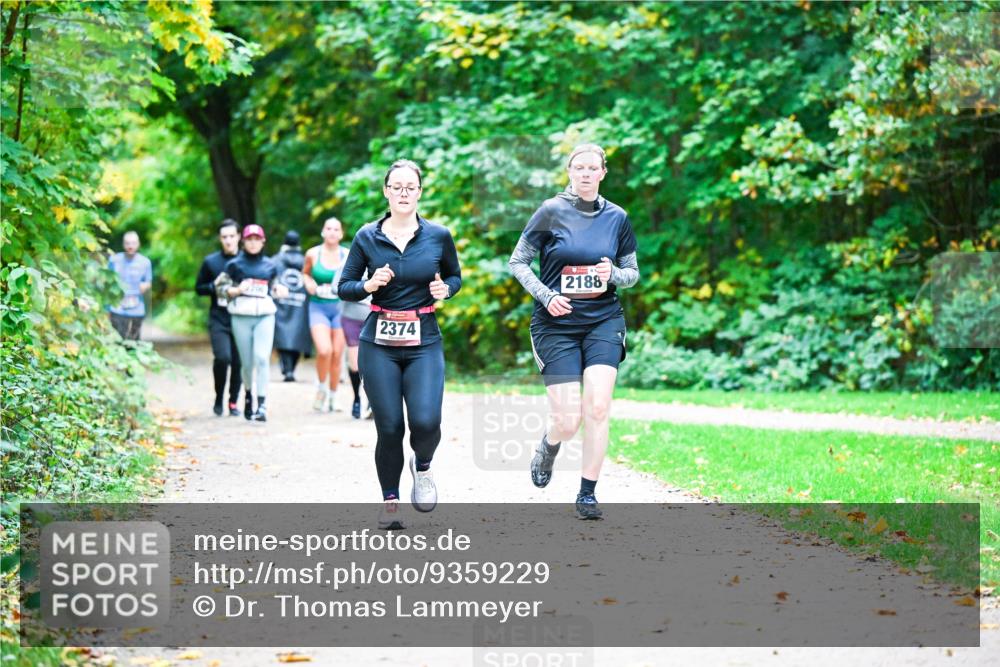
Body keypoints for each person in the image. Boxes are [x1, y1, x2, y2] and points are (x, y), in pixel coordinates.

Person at [508, 143, 639, 520]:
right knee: (567, 419)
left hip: (603, 320)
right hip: (555, 325)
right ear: (569, 171)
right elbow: (518, 262)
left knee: (597, 407)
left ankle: (587, 493)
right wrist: (546, 296)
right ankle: (549, 447)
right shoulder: (550, 211)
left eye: (591, 168)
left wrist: (611, 274)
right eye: (578, 167)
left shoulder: (617, 217)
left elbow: (631, 273)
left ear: (602, 173)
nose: (584, 173)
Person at [338, 159, 462, 530]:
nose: (404, 193)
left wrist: (447, 289)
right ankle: (390, 501)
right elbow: (343, 287)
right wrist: (369, 284)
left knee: (426, 422)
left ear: (420, 193)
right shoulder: (366, 236)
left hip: (424, 337)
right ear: (386, 191)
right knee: (389, 426)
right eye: (397, 186)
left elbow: (454, 276)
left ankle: (422, 467)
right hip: (378, 340)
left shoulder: (438, 235)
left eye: (411, 187)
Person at [215, 224, 288, 422]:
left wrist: (280, 290)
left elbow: (274, 286)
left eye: (257, 239)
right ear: (243, 241)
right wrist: (236, 290)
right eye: (250, 239)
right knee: (246, 364)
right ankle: (248, 397)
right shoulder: (234, 265)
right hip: (241, 316)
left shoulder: (270, 265)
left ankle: (262, 403)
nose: (253, 243)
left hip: (265, 315)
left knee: (262, 358)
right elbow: (220, 287)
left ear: (263, 241)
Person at [194, 219, 242, 416]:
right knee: (222, 358)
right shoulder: (211, 262)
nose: (228, 241)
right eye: (224, 237)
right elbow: (198, 288)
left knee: (238, 362)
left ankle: (233, 402)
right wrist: (212, 286)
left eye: (232, 236)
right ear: (220, 239)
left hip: (241, 317)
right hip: (219, 318)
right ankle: (218, 397)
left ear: (239, 237)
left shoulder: (245, 260)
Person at [303, 218, 349, 412]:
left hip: (340, 308)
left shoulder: (347, 255)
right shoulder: (313, 254)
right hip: (318, 307)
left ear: (341, 234)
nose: (331, 232)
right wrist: (309, 283)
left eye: (335, 229)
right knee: (324, 350)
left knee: (338, 354)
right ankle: (321, 388)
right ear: (323, 231)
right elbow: (305, 273)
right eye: (328, 228)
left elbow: (355, 277)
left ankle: (333, 396)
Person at [334, 238, 374, 420]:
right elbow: (337, 287)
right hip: (351, 317)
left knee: (374, 363)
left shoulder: (383, 258)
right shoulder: (349, 260)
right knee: (355, 363)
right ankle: (357, 397)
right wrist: (359, 289)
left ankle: (372, 401)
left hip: (375, 318)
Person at [272, 230, 312, 382]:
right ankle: (291, 369)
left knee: (282, 335)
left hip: (281, 303)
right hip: (300, 304)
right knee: (296, 336)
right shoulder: (305, 261)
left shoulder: (275, 260)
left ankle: (287, 369)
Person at [107, 231, 153, 341]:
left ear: (138, 244)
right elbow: (107, 282)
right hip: (117, 307)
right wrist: (106, 308)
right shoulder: (114, 260)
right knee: (118, 339)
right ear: (123, 244)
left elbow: (149, 282)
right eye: (127, 243)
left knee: (134, 340)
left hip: (137, 307)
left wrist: (145, 286)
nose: (130, 246)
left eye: (133, 243)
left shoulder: (145, 262)